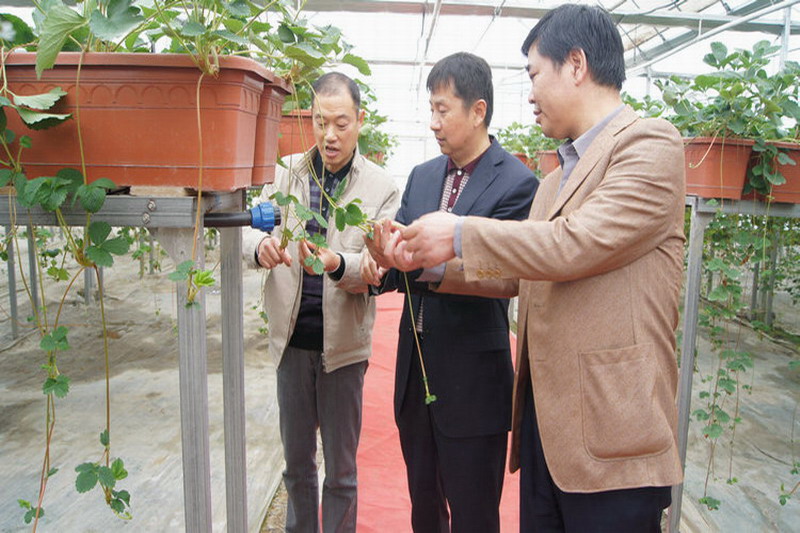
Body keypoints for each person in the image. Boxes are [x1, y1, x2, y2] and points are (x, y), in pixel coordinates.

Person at [381, 5, 686, 532]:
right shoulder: (553, 181)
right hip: (549, 427)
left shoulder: (649, 144)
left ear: (576, 65)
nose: (529, 94)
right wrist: (429, 266)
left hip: (612, 436)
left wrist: (458, 232)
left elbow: (576, 244)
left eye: (534, 74)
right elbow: (520, 275)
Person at [362, 52, 538, 533]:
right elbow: (403, 263)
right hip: (414, 374)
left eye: (443, 110)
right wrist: (383, 261)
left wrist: (423, 264)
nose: (434, 122)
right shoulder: (423, 176)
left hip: (473, 384)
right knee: (424, 506)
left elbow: (508, 275)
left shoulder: (517, 184)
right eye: (431, 109)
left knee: (474, 514)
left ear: (478, 111)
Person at [242, 72, 399, 533]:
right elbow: (249, 229)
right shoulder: (284, 173)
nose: (329, 134)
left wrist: (337, 264)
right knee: (296, 466)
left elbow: (379, 267)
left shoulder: (381, 187)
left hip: (344, 352)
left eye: (341, 123)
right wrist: (259, 246)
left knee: (342, 473)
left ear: (360, 121)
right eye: (319, 121)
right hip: (291, 344)